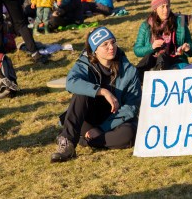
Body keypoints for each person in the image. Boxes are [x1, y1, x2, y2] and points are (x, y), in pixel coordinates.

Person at [51, 26, 141, 162]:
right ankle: (67, 143)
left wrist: (101, 129)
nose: (111, 47)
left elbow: (131, 107)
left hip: (115, 121)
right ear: (95, 50)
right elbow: (71, 83)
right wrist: (102, 91)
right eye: (105, 44)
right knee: (81, 92)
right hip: (88, 118)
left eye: (113, 42)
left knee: (129, 135)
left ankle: (86, 141)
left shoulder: (129, 70)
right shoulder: (85, 63)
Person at [134, 0, 192, 80]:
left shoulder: (180, 22)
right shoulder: (146, 25)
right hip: (153, 60)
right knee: (145, 65)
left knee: (164, 59)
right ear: (155, 9)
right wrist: (152, 47)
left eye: (167, 6)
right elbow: (137, 50)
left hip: (176, 59)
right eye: (162, 7)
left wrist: (188, 48)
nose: (166, 10)